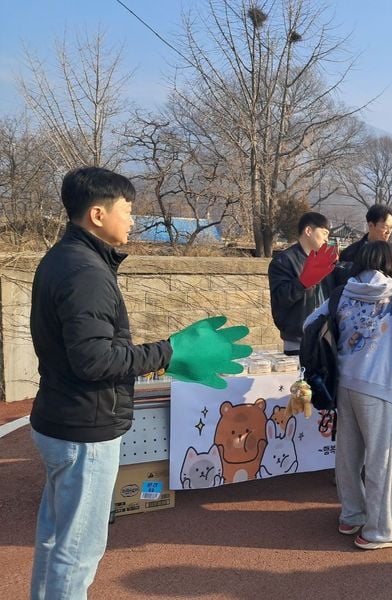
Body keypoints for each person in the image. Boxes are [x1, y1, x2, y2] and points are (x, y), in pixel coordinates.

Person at [29, 167, 246, 599]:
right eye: (127, 210)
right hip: (84, 429)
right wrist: (169, 352)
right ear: (96, 213)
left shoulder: (65, 258)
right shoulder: (84, 271)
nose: (132, 220)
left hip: (62, 418)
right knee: (77, 550)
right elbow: (94, 360)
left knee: (56, 539)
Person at [305, 241, 392, 550]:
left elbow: (310, 323)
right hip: (379, 385)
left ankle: (352, 515)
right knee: (382, 458)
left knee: (348, 454)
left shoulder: (342, 292)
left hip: (343, 383)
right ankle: (379, 531)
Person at [268, 212, 338, 355]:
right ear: (308, 231)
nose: (327, 239)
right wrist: (302, 282)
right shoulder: (284, 260)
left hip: (326, 336)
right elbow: (280, 299)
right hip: (297, 339)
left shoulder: (326, 260)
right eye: (324, 233)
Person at [338, 204, 392, 285]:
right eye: (385, 227)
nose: (389, 232)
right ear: (371, 225)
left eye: (391, 228)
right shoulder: (350, 252)